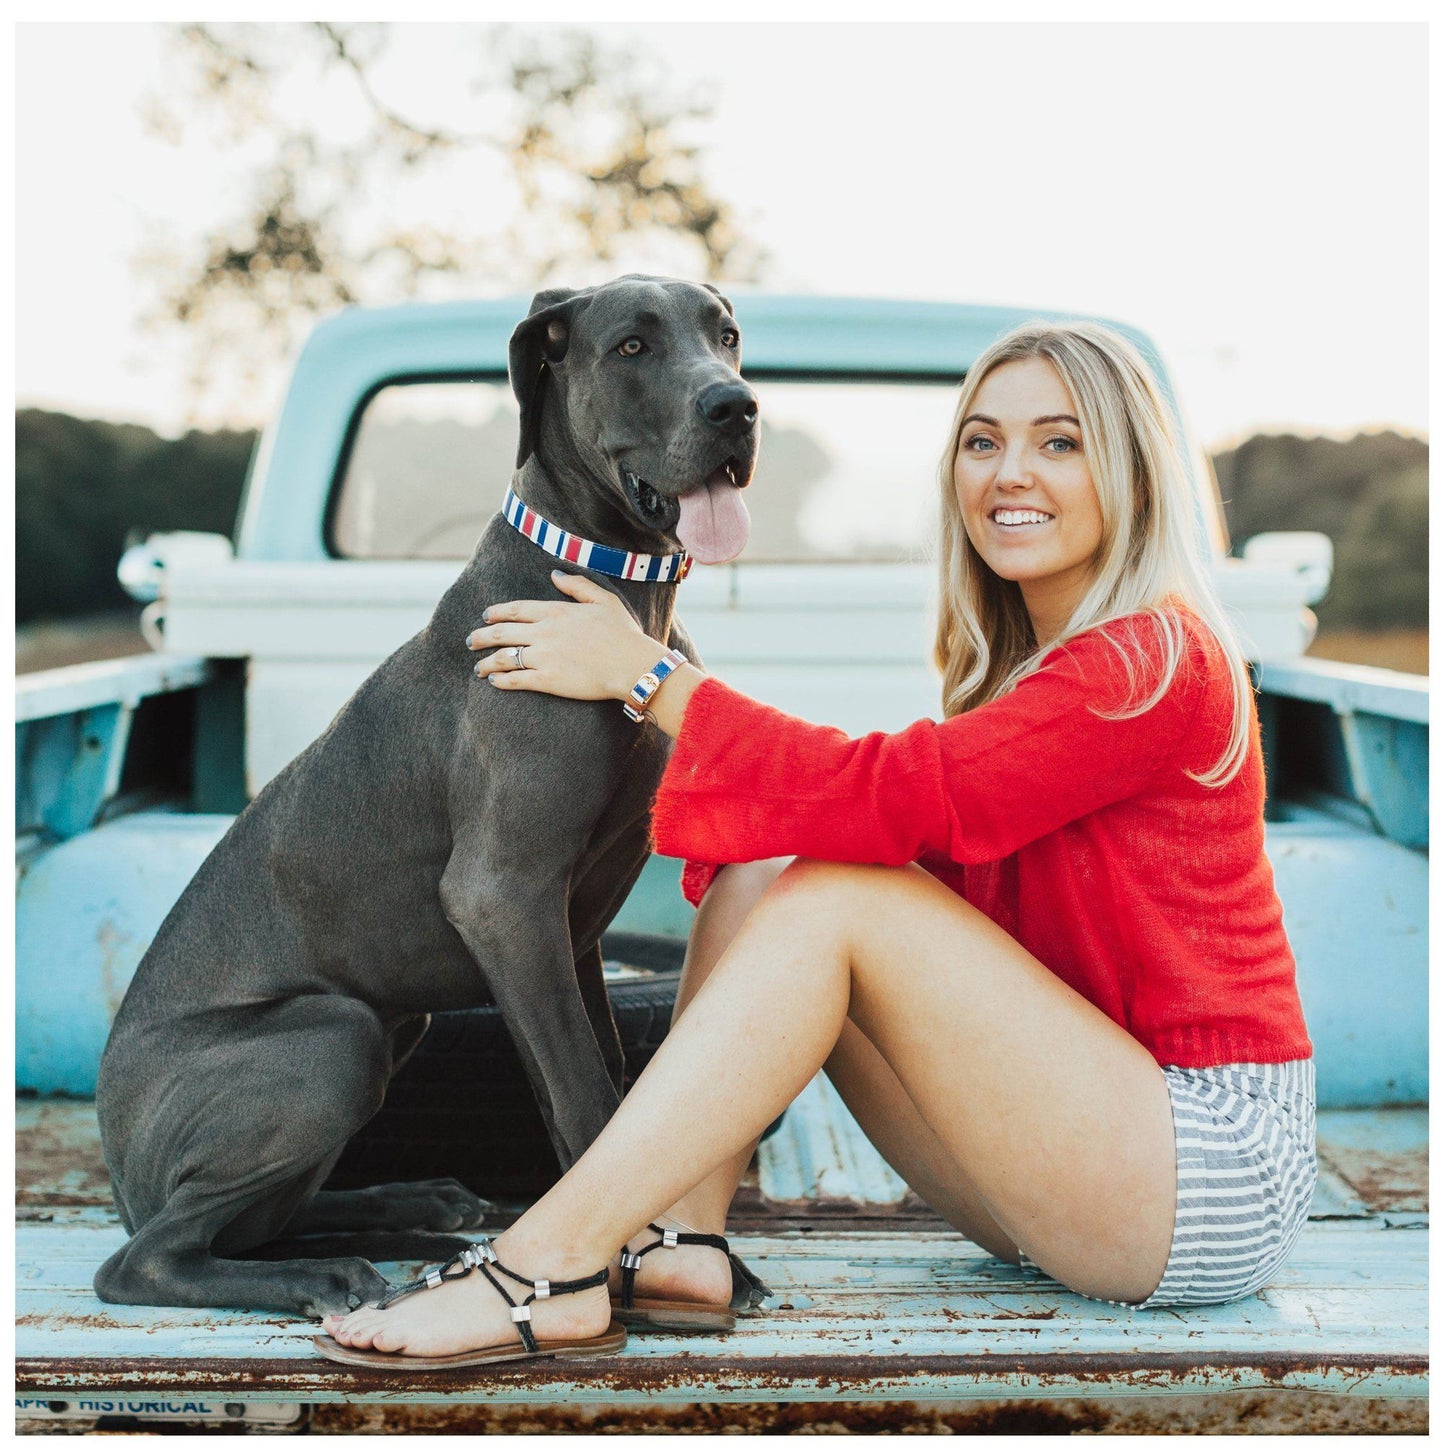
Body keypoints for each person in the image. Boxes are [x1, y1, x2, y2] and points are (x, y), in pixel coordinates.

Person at [318, 320, 1315, 1368]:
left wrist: (646, 673)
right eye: (980, 442)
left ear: (1131, 471)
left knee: (837, 886)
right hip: (1076, 1168)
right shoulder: (1038, 667)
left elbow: (887, 794)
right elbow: (848, 817)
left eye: (1058, 443)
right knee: (776, 864)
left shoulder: (1152, 661)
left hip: (1207, 1175)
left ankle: (545, 1266)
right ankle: (680, 1239)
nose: (1008, 472)